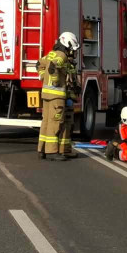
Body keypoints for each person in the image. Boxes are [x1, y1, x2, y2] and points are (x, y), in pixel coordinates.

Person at [37, 31, 80, 161]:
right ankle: (52, 152)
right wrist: (55, 80)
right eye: (72, 49)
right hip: (56, 96)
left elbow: (39, 64)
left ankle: (42, 149)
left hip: (47, 95)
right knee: (55, 123)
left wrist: (43, 77)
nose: (73, 52)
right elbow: (52, 66)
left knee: (46, 122)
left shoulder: (52, 53)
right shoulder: (62, 55)